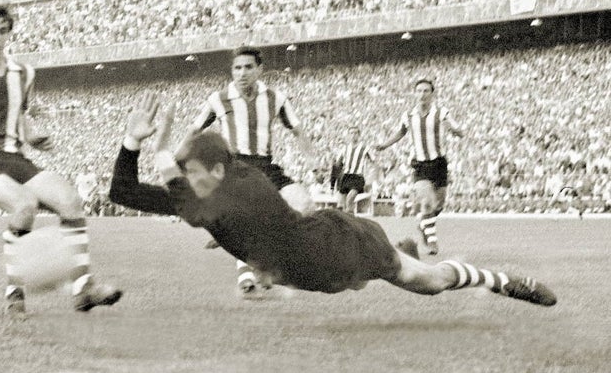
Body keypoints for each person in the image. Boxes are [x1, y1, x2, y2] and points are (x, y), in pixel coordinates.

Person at [109, 94, 556, 307]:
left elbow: (187, 203)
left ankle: (499, 280)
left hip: (337, 244)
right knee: (368, 280)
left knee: (428, 282)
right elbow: (123, 192)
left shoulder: (244, 188)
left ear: (220, 172)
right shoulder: (207, 196)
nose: (186, 180)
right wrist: (132, 141)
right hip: (313, 270)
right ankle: (401, 250)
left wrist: (163, 149)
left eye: (194, 174)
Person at [0, 3, 121, 316]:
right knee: (24, 205)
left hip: (15, 157)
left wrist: (33, 137)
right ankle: (15, 292)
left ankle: (83, 288)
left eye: (2, 31)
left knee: (70, 200)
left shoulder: (24, 74)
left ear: (9, 33)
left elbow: (22, 117)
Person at [190, 46, 318, 297]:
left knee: (305, 206)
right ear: (232, 71)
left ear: (260, 69)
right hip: (233, 167)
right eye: (237, 68)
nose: (242, 73)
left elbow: (298, 130)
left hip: (265, 166)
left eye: (249, 67)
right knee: (247, 218)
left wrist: (312, 158)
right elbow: (193, 131)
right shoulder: (218, 99)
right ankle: (246, 275)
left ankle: (248, 251)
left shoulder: (276, 98)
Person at [373, 78, 464, 255]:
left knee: (438, 206)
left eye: (426, 91)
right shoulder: (409, 115)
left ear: (432, 93)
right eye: (419, 91)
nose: (422, 94)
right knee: (427, 203)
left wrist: (455, 130)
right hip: (420, 165)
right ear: (415, 93)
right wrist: (385, 145)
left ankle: (424, 224)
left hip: (439, 164)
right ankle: (432, 242)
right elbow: (401, 132)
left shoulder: (441, 112)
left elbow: (457, 128)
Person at [335, 126, 374, 214]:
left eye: (355, 133)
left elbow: (373, 161)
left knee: (350, 199)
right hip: (345, 177)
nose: (353, 135)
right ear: (348, 135)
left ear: (359, 135)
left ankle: (350, 221)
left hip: (357, 177)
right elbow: (338, 163)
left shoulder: (365, 148)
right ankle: (346, 221)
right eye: (351, 133)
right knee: (341, 205)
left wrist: (370, 176)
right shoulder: (344, 148)